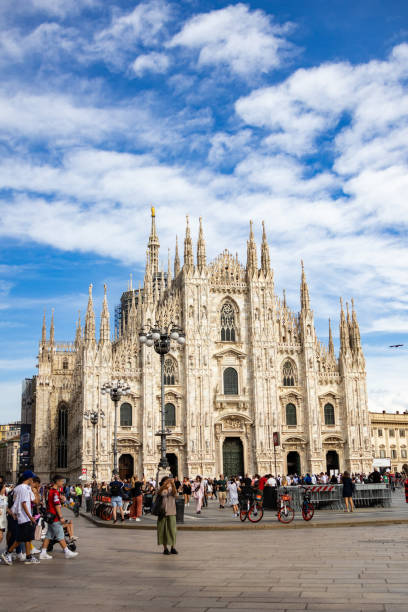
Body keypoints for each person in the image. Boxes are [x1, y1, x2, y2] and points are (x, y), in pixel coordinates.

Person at [2, 470, 38, 565]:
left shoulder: (18, 488)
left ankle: (28, 556)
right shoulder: (24, 488)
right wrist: (30, 517)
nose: (32, 480)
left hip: (20, 516)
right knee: (20, 539)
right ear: (29, 479)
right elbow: (24, 503)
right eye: (32, 478)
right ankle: (8, 553)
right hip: (24, 517)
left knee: (26, 538)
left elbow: (16, 501)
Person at [40, 474, 78, 560]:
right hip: (55, 517)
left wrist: (62, 500)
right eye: (61, 481)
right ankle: (67, 552)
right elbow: (56, 505)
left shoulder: (51, 491)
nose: (63, 483)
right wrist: (61, 517)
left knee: (48, 535)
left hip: (51, 516)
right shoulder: (55, 492)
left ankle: (43, 552)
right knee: (60, 535)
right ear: (57, 481)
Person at [156, 477, 178, 555]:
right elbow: (163, 494)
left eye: (170, 481)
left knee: (172, 530)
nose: (169, 483)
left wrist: (172, 486)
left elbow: (175, 495)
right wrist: (166, 487)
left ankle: (173, 547)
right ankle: (165, 548)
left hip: (171, 512)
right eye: (167, 481)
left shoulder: (173, 489)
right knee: (162, 531)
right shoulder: (161, 489)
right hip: (162, 512)